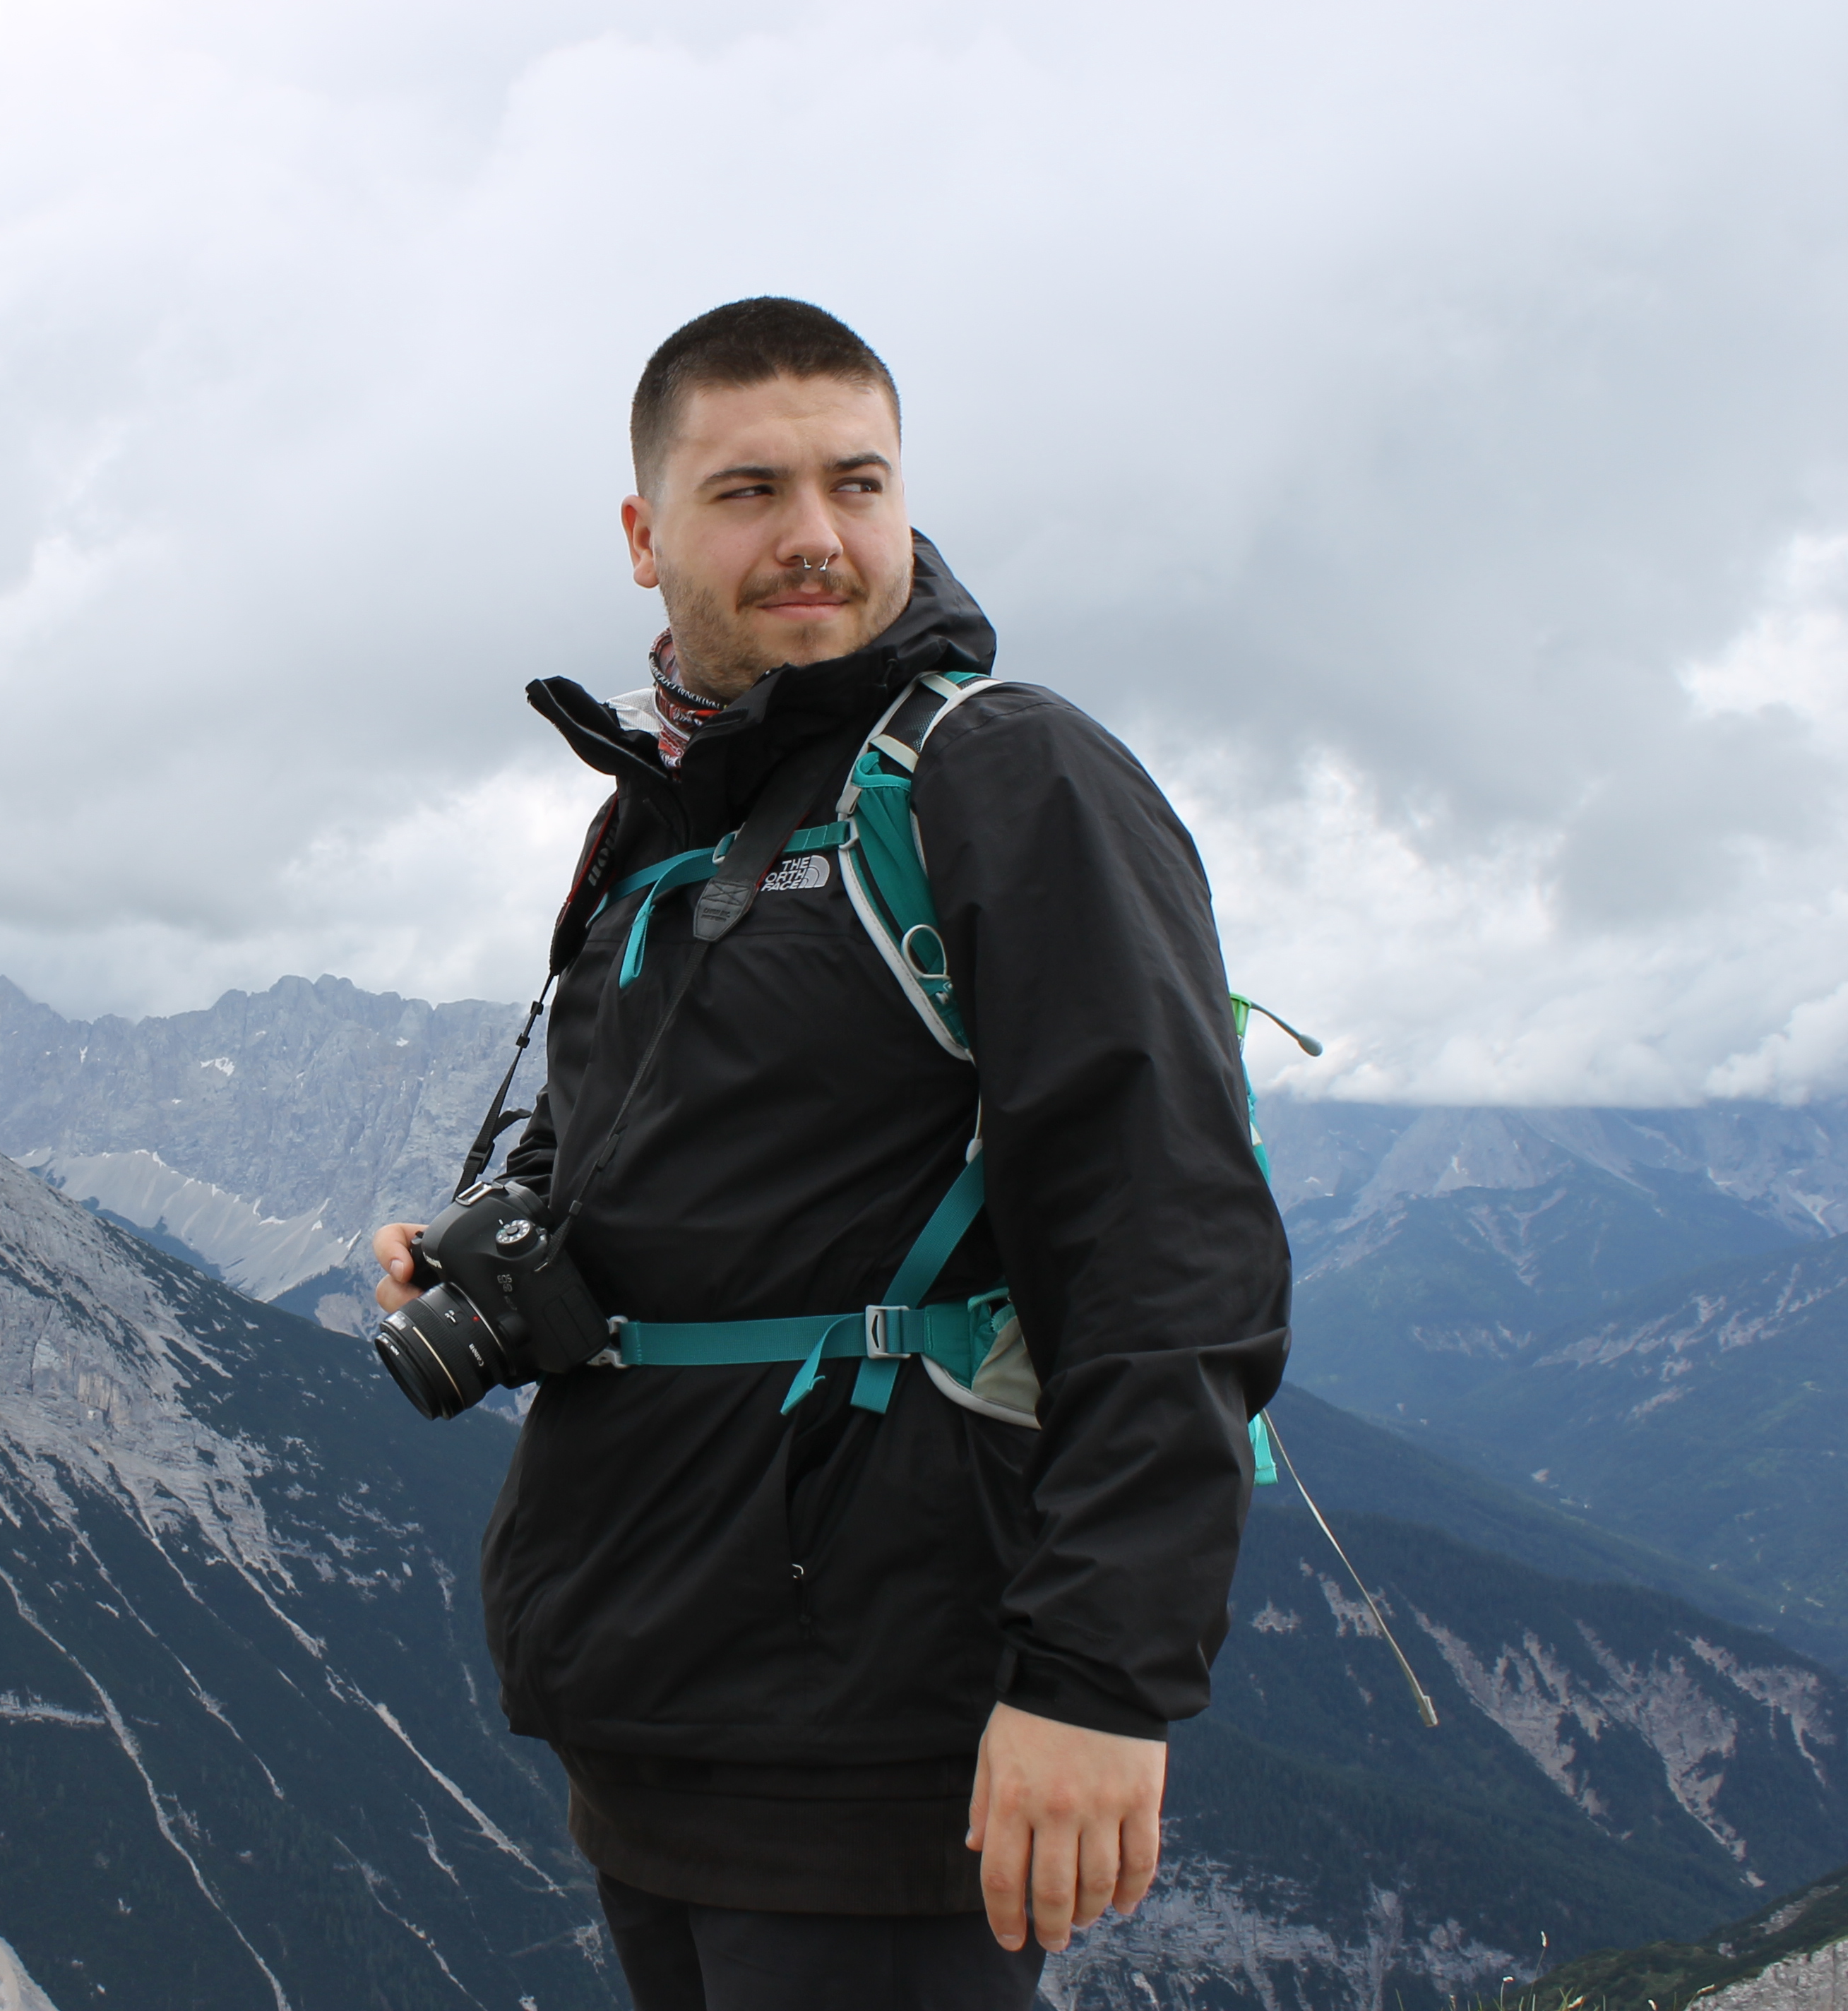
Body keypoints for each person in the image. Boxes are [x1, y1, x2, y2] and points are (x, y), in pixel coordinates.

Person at [373, 298, 1291, 2011]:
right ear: (646, 537)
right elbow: (658, 1170)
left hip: (878, 1736)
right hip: (653, 1718)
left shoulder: (1002, 773)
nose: (815, 535)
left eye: (855, 482)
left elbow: (1173, 1241)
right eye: (749, 491)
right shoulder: (668, 814)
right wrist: (503, 1247)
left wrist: (1101, 1679)